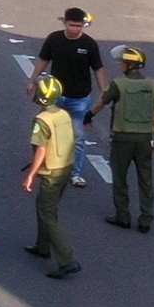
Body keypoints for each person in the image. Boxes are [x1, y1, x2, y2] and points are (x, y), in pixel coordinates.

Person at [32, 10, 103, 185]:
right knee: (47, 132)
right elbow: (43, 60)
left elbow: (98, 68)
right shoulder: (54, 39)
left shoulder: (89, 44)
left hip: (80, 98)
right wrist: (32, 80)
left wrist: (104, 91)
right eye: (72, 25)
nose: (75, 29)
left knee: (78, 136)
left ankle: (75, 173)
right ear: (65, 23)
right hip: (55, 96)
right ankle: (44, 165)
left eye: (79, 26)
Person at [21, 74, 81, 280]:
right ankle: (42, 246)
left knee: (47, 212)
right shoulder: (63, 114)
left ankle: (67, 259)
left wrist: (31, 175)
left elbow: (41, 150)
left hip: (51, 172)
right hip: (66, 166)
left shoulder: (41, 120)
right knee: (47, 206)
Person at [104, 45, 154, 232]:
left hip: (122, 138)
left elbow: (101, 102)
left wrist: (89, 116)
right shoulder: (152, 85)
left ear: (129, 65)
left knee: (120, 178)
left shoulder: (117, 84)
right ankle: (146, 220)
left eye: (122, 62)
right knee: (146, 180)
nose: (120, 65)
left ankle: (123, 216)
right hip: (145, 139)